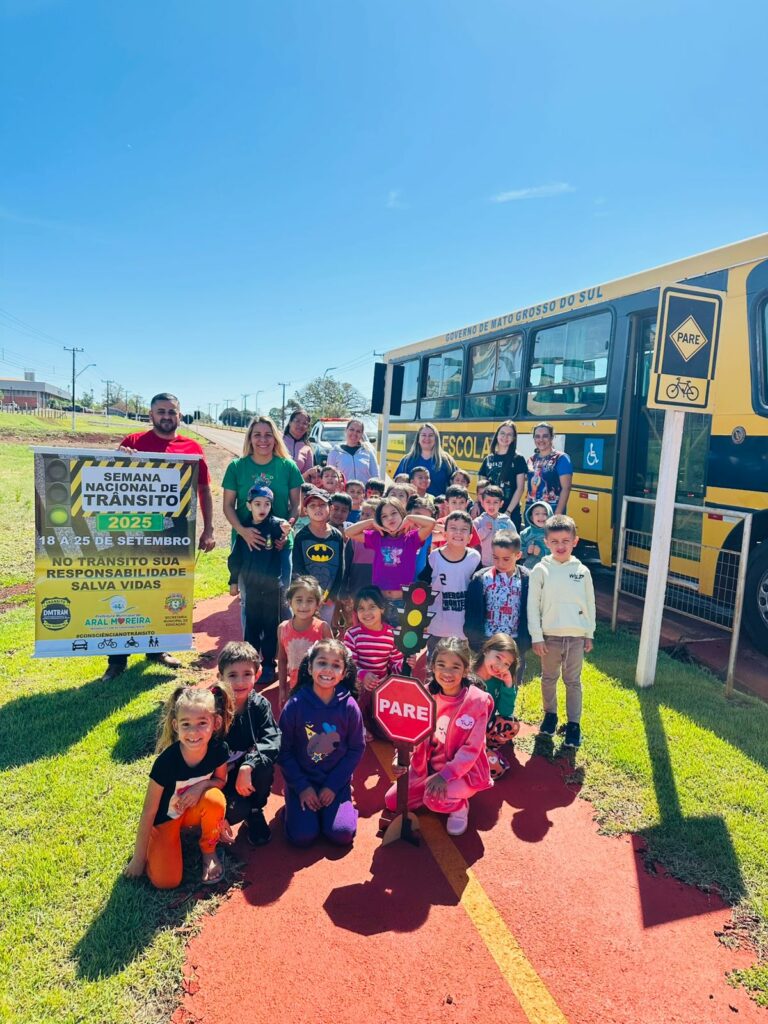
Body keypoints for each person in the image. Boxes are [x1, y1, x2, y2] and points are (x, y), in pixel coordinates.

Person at [102, 392, 215, 682]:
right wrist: (119, 458)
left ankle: (158, 650)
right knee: (127, 590)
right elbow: (110, 479)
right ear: (151, 415)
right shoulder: (133, 443)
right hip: (132, 533)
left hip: (173, 534)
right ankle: (117, 659)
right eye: (161, 411)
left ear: (180, 415)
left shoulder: (192, 448)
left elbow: (203, 490)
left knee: (165, 591)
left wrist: (209, 529)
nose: (167, 416)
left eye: (172, 411)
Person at [124, 683, 233, 888]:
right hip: (166, 818)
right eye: (186, 724)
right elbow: (149, 811)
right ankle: (157, 845)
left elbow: (220, 781)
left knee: (215, 800)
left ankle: (208, 851)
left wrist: (201, 786)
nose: (194, 732)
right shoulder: (166, 762)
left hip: (192, 811)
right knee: (166, 881)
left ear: (215, 723)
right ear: (176, 726)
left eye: (202, 723)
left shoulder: (218, 749)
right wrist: (138, 859)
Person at [385, 638, 493, 837]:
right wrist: (400, 759)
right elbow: (410, 733)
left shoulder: (476, 702)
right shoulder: (424, 695)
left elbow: (472, 749)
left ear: (466, 670)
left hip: (462, 773)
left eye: (455, 667)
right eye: (441, 665)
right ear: (432, 667)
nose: (447, 673)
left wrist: (446, 775)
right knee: (393, 801)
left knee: (434, 800)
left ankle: (459, 806)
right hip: (427, 768)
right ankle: (430, 790)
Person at [278, 639, 365, 846]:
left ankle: (344, 802)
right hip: (303, 781)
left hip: (334, 782)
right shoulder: (295, 705)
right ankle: (292, 805)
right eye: (322, 663)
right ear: (309, 667)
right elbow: (284, 751)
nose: (328, 670)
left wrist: (334, 786)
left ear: (344, 673)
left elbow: (355, 749)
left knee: (341, 834)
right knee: (302, 837)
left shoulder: (350, 706)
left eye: (336, 665)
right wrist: (301, 786)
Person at [527, 514, 595, 749]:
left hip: (576, 637)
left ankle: (574, 725)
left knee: (573, 681)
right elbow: (532, 606)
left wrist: (589, 632)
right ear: (546, 542)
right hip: (550, 638)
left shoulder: (582, 571)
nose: (560, 546)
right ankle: (550, 715)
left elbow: (589, 603)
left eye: (566, 540)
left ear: (575, 541)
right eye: (555, 541)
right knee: (549, 678)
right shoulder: (540, 570)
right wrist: (537, 637)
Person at [222, 416, 302, 592]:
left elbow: (296, 504)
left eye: (268, 435)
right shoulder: (236, 467)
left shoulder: (288, 467)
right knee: (248, 599)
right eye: (257, 434)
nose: (263, 440)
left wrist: (285, 530)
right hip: (247, 542)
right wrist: (243, 532)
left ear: (275, 438)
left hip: (279, 543)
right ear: (250, 438)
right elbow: (228, 505)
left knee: (281, 598)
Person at [217, 641, 281, 846]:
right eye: (232, 675)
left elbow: (273, 738)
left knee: (264, 766)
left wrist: (248, 764)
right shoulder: (211, 707)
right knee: (231, 811)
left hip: (243, 773)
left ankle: (254, 811)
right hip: (216, 775)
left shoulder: (260, 705)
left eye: (247, 674)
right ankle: (214, 816)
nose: (240, 682)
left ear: (258, 674)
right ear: (220, 677)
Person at [226, 485, 291, 682]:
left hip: (272, 586)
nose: (262, 508)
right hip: (252, 586)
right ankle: (251, 663)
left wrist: (286, 530)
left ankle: (269, 664)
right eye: (257, 504)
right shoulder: (244, 529)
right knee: (252, 625)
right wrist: (233, 581)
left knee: (271, 625)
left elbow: (285, 528)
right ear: (248, 505)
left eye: (267, 504)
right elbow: (235, 558)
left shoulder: (274, 525)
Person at [344, 497, 435, 610]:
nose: (390, 518)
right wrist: (372, 522)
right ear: (380, 521)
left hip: (403, 601)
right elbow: (349, 532)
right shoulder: (377, 538)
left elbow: (431, 523)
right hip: (379, 601)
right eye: (384, 516)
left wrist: (409, 517)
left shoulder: (411, 538)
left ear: (402, 513)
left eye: (394, 513)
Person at [465, 531, 530, 681]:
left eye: (506, 559)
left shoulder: (528, 579)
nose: (500, 563)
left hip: (514, 642)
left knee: (510, 682)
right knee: (483, 681)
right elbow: (472, 611)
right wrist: (474, 637)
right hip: (487, 640)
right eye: (496, 558)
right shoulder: (481, 579)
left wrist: (526, 640)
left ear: (518, 555)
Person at [343, 586, 403, 740]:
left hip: (382, 688)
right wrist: (363, 674)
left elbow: (396, 663)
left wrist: (406, 663)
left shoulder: (392, 635)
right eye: (361, 608)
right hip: (359, 686)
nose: (366, 613)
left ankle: (374, 723)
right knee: (354, 699)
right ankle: (358, 724)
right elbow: (349, 664)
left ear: (382, 609)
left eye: (372, 607)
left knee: (387, 731)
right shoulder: (352, 635)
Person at [419, 511, 481, 656]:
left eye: (464, 529)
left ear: (470, 537)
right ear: (444, 534)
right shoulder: (434, 557)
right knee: (434, 663)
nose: (458, 532)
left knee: (461, 664)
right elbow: (422, 585)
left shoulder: (475, 558)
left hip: (464, 627)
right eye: (453, 528)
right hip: (437, 625)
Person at [291, 489, 344, 625]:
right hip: (307, 596)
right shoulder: (301, 536)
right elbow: (298, 567)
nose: (317, 509)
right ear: (305, 510)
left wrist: (333, 595)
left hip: (329, 594)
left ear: (330, 508)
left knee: (324, 628)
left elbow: (341, 568)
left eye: (322, 505)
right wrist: (308, 594)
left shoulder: (336, 536)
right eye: (312, 506)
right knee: (306, 627)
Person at [277, 576, 332, 707]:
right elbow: (282, 660)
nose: (303, 605)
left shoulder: (323, 628)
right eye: (299, 600)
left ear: (318, 604)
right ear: (290, 602)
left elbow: (334, 659)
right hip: (295, 690)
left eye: (309, 601)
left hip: (321, 689)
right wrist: (282, 689)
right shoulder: (282, 628)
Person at [473, 635, 521, 780]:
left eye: (507, 664)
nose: (501, 666)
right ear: (487, 650)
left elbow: (506, 712)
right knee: (496, 770)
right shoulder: (466, 675)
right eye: (498, 657)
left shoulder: (499, 680)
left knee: (511, 725)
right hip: (463, 733)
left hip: (485, 729)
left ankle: (488, 749)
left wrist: (508, 684)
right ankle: (478, 756)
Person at [478, 421, 527, 530]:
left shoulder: (518, 459)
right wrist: (479, 505)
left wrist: (508, 512)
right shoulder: (488, 459)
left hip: (510, 512)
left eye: (509, 434)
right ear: (497, 435)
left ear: (514, 438)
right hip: (489, 513)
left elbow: (520, 488)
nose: (505, 437)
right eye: (502, 433)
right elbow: (481, 488)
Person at [393, 423, 458, 497]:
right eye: (423, 435)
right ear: (418, 439)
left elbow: (457, 485)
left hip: (438, 506)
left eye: (431, 435)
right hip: (411, 505)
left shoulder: (447, 461)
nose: (427, 438)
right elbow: (397, 486)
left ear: (436, 439)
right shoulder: (407, 460)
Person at [526, 422, 573, 515]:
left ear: (552, 437)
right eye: (537, 436)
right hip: (532, 509)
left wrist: (557, 514)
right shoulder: (531, 459)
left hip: (551, 509)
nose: (541, 439)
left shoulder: (561, 458)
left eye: (545, 436)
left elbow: (566, 488)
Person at [326, 419, 380, 485]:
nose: (354, 433)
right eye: (352, 429)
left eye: (358, 431)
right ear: (346, 430)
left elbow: (375, 476)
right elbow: (329, 477)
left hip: (363, 494)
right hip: (343, 494)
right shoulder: (334, 452)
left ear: (361, 434)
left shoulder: (368, 451)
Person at [474, 484, 516, 566]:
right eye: (488, 502)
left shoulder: (507, 521)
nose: (491, 505)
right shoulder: (479, 521)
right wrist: (485, 529)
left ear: (501, 504)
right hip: (484, 563)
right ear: (482, 503)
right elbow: (473, 539)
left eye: (495, 502)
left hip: (503, 563)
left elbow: (515, 540)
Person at [432, 485, 482, 552]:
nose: (458, 506)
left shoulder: (469, 524)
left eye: (461, 502)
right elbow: (434, 548)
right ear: (447, 503)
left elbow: (475, 548)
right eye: (454, 502)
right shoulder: (440, 522)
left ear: (466, 503)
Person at [520, 500, 552, 569]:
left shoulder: (553, 534)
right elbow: (518, 553)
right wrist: (527, 551)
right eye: (537, 514)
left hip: (547, 570)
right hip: (529, 568)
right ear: (531, 517)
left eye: (545, 514)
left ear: (550, 516)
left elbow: (557, 554)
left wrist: (541, 553)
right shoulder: (526, 533)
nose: (541, 516)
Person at [282, 408, 314, 475]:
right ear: (290, 422)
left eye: (305, 423)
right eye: (297, 421)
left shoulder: (307, 449)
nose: (301, 425)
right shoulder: (278, 440)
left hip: (296, 485)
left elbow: (308, 475)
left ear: (307, 427)